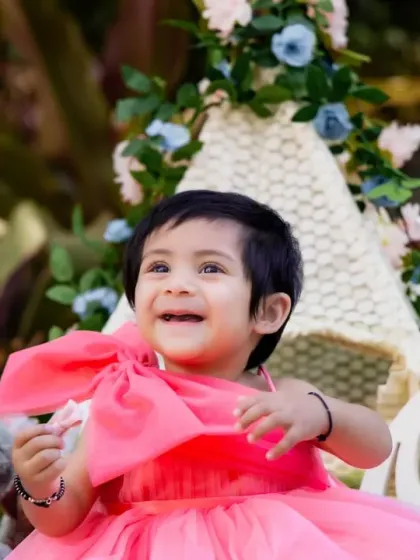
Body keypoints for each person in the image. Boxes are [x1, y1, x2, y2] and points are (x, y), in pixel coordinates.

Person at [0, 190, 420, 559]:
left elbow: (375, 449)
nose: (177, 285)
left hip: (279, 544)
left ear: (268, 311)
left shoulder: (286, 396)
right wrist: (39, 485)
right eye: (159, 268)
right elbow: (62, 516)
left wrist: (325, 415)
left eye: (210, 269)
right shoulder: (124, 401)